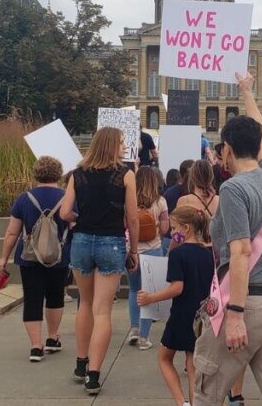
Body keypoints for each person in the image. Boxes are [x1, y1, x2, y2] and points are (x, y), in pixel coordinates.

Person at [192, 72, 262, 406]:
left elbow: (240, 252)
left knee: (206, 392)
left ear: (226, 149)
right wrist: (247, 93)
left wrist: (236, 315)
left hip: (246, 304)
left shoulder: (233, 188)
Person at [60, 127, 140, 396]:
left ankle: (81, 363)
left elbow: (64, 211)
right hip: (111, 241)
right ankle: (93, 375)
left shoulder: (78, 173)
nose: (123, 146)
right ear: (111, 145)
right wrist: (135, 250)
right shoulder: (125, 175)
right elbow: (133, 218)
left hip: (82, 240)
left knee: (85, 303)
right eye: (120, 142)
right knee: (102, 310)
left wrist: (79, 220)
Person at [137, 206, 214, 406]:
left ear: (185, 228)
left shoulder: (178, 255)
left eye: (174, 228)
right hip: (203, 314)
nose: (172, 233)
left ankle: (182, 402)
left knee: (164, 357)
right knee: (192, 362)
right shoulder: (209, 252)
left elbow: (177, 287)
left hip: (182, 312)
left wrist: (151, 298)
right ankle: (195, 402)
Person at [0, 156, 70, 362]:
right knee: (55, 296)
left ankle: (35, 346)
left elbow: (12, 232)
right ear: (59, 174)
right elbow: (73, 227)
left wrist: (4, 257)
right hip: (59, 256)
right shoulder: (66, 197)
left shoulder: (24, 198)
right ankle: (52, 338)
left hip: (29, 257)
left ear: (36, 173)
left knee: (32, 299)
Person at [127, 166, 169, 350]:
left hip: (132, 250)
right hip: (153, 249)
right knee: (149, 294)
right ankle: (144, 337)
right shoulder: (161, 202)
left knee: (134, 290)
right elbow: (166, 229)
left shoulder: (130, 200)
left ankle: (134, 328)